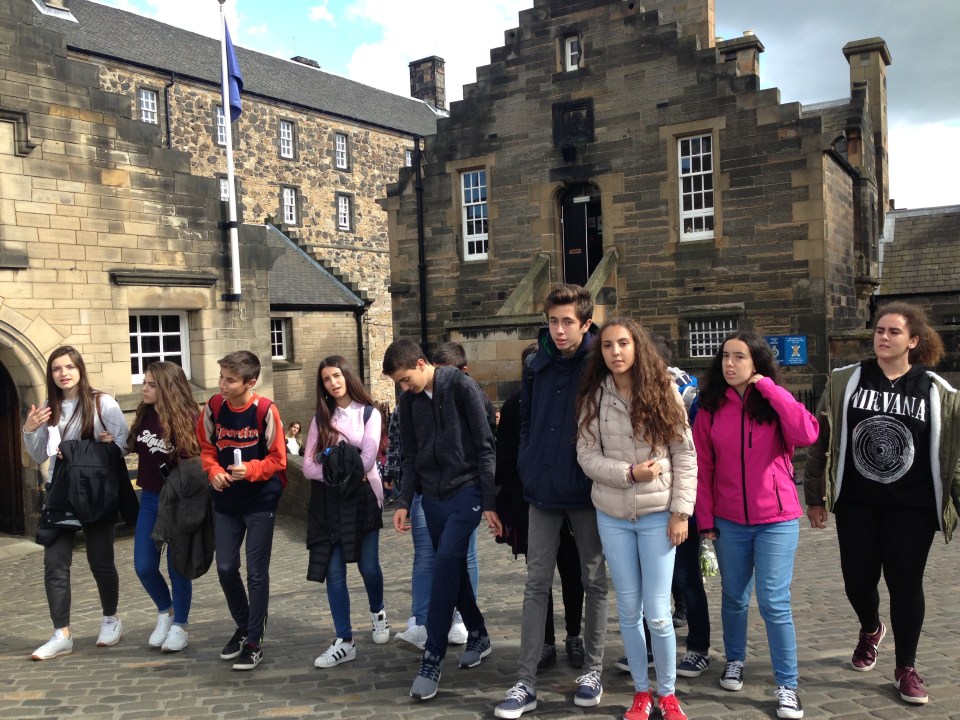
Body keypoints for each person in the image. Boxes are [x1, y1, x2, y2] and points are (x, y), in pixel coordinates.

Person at [804, 302, 960, 706]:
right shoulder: (847, 381)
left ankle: (906, 667)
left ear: (913, 341)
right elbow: (821, 441)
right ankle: (871, 628)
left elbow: (952, 455)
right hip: (857, 503)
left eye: (893, 332)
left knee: (905, 583)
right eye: (879, 330)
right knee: (857, 579)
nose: (884, 337)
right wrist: (815, 496)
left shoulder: (935, 390)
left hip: (913, 508)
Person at [495, 284, 609, 719]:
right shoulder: (536, 365)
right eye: (553, 321)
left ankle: (593, 671)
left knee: (593, 580)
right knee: (535, 583)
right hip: (541, 490)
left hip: (585, 490)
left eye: (567, 322)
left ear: (585, 323)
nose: (559, 330)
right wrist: (528, 461)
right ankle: (525, 681)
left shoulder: (600, 364)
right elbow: (525, 421)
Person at [575, 318, 697, 720]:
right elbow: (587, 455)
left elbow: (684, 454)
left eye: (623, 343)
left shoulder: (663, 389)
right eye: (608, 345)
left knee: (658, 613)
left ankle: (668, 694)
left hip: (658, 515)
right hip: (613, 514)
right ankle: (641, 692)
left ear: (636, 346)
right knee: (628, 610)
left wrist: (681, 512)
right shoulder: (594, 395)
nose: (616, 352)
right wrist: (629, 474)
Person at [693, 331, 818, 720]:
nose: (729, 364)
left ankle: (787, 685)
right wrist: (705, 520)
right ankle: (734, 659)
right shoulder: (710, 407)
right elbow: (702, 467)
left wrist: (770, 390)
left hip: (776, 520)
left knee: (774, 601)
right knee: (734, 596)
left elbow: (808, 433)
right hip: (729, 521)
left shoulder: (774, 402)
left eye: (739, 357)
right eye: (725, 356)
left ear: (757, 363)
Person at [383, 338, 502, 701]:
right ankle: (478, 634)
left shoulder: (462, 386)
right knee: (453, 568)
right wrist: (404, 500)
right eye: (399, 383)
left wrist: (489, 499)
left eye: (405, 379)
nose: (404, 387)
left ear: (421, 364)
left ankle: (432, 657)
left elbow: (485, 445)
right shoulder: (408, 402)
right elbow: (411, 455)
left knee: (445, 561)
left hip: (466, 491)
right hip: (432, 497)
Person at [23, 346, 130, 660]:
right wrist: (29, 429)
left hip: (95, 490)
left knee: (101, 560)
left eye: (69, 366)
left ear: (80, 369)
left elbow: (122, 445)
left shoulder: (102, 403)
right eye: (57, 368)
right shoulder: (49, 408)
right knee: (55, 563)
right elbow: (39, 454)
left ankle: (111, 618)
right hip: (60, 491)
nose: (64, 373)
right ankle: (62, 634)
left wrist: (109, 443)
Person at [495, 343, 586, 671]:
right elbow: (506, 461)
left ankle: (574, 635)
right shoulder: (515, 405)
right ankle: (545, 641)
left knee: (574, 574)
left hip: (570, 501)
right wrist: (518, 501)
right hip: (532, 503)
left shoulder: (572, 399)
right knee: (539, 578)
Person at [197, 350, 286, 671]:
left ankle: (254, 641)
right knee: (225, 567)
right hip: (226, 501)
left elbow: (278, 459)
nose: (222, 384)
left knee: (256, 573)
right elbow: (206, 448)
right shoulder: (213, 407)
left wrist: (250, 470)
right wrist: (212, 471)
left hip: (260, 500)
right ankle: (244, 624)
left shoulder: (265, 410)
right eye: (221, 377)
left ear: (250, 383)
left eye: (230, 380)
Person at [304, 356, 389, 668]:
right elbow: (308, 467)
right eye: (326, 379)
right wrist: (342, 467)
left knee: (369, 567)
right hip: (330, 505)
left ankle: (378, 611)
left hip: (363, 499)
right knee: (334, 572)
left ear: (347, 376)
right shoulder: (320, 419)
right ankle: (344, 640)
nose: (333, 383)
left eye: (336, 376)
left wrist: (333, 462)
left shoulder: (369, 413)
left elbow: (367, 460)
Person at [129, 361, 200, 653]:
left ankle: (180, 625)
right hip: (149, 499)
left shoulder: (190, 418)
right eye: (144, 383)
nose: (144, 389)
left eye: (151, 384)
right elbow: (133, 446)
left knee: (177, 567)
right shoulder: (145, 415)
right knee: (144, 565)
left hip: (179, 501)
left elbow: (198, 463)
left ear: (168, 388)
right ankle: (165, 610)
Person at [651, 335, 712, 679]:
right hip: (646, 500)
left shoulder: (688, 394)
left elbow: (694, 453)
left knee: (687, 577)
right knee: (648, 583)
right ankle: (650, 648)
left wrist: (688, 507)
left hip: (681, 499)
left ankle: (698, 647)